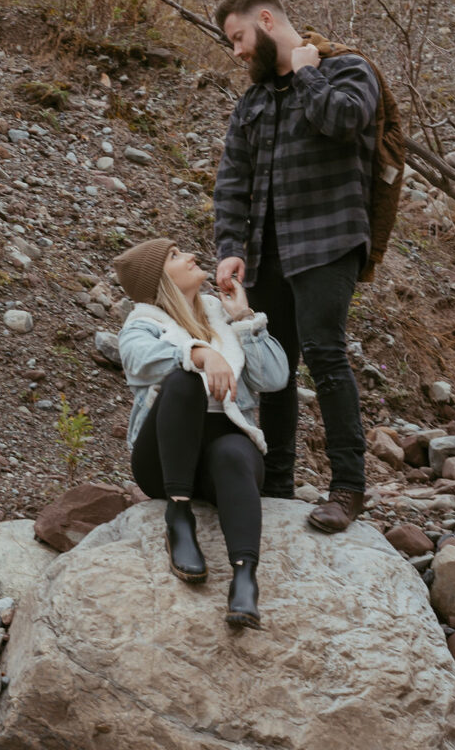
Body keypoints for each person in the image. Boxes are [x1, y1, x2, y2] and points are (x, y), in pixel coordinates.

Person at [213, 0, 380, 534]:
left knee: (326, 356)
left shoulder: (347, 70)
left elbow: (348, 121)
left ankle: (348, 488)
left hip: (329, 242)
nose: (237, 51)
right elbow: (232, 180)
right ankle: (277, 483)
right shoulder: (253, 101)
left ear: (266, 20)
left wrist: (308, 73)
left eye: (239, 37)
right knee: (274, 368)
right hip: (267, 253)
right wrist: (231, 249)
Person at [114, 237, 289, 630]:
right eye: (175, 256)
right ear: (158, 278)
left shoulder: (219, 316)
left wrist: (244, 319)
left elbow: (276, 379)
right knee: (184, 381)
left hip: (218, 459)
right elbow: (137, 362)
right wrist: (200, 353)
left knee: (233, 451)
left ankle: (245, 579)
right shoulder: (144, 323)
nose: (191, 255)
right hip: (163, 462)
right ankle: (179, 518)